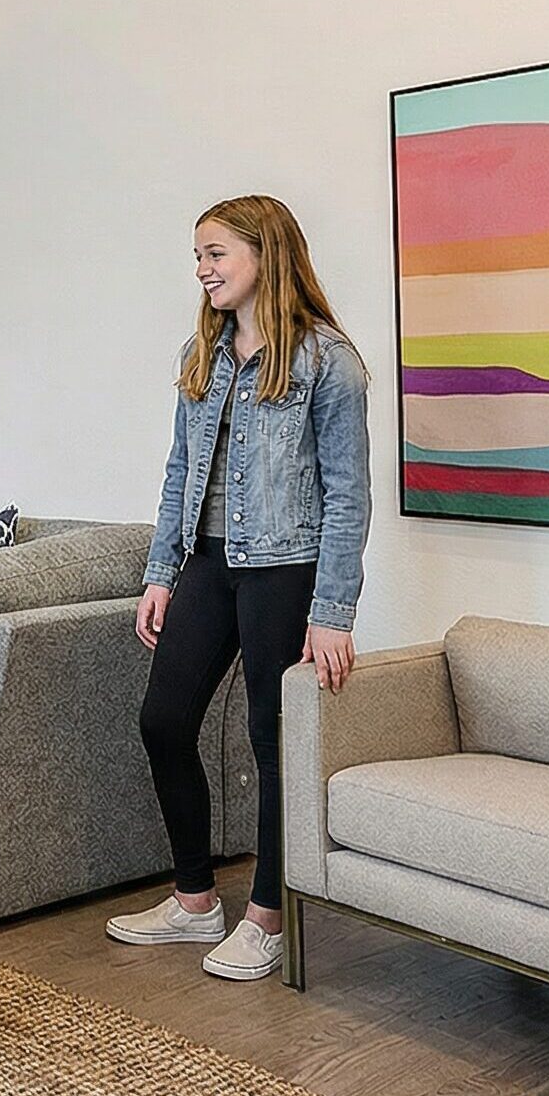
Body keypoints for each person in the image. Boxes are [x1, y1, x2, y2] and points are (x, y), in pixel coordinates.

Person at [109, 194, 370, 980]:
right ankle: (195, 900)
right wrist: (161, 571)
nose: (202, 269)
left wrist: (332, 612)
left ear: (266, 253)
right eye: (199, 256)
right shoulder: (206, 354)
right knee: (163, 719)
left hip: (285, 569)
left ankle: (267, 916)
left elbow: (348, 495)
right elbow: (180, 472)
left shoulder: (329, 362)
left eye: (216, 253)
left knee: (271, 738)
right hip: (209, 564)